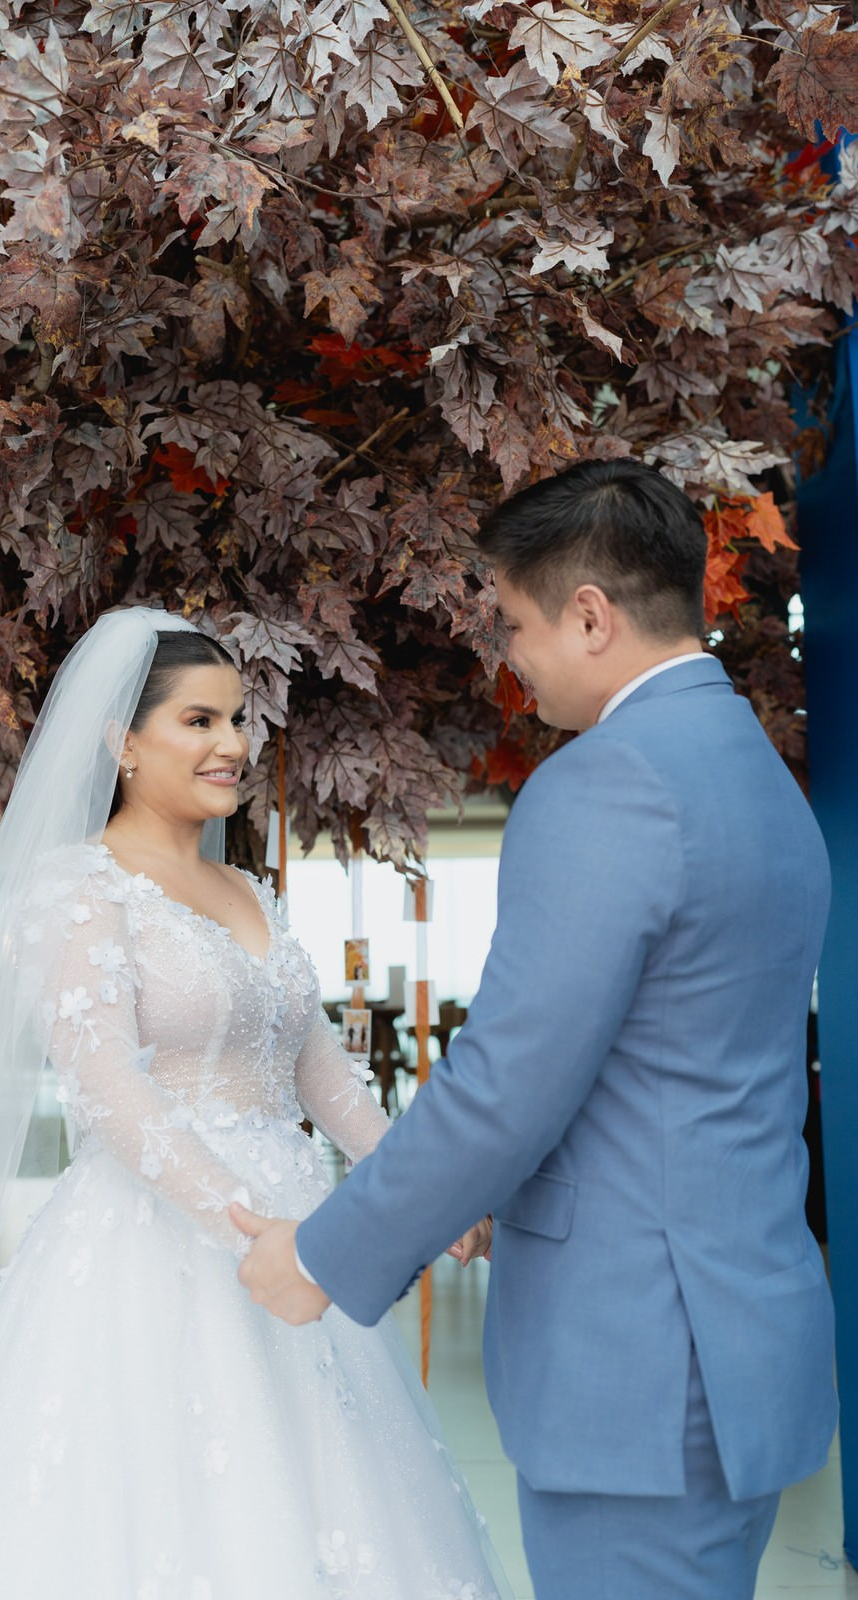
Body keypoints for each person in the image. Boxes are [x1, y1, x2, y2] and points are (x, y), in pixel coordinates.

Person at [0, 608, 511, 1600]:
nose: (232, 744)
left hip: (298, 1230)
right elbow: (110, 1091)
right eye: (199, 721)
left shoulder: (252, 892)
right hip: (155, 1234)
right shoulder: (76, 888)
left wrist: (422, 1200)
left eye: (238, 721)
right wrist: (245, 1225)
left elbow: (327, 1082)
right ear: (121, 744)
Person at [235, 460, 838, 1600]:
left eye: (514, 623)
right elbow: (657, 1065)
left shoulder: (607, 782)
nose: (509, 659)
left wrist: (325, 1253)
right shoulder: (758, 777)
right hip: (735, 1339)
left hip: (636, 1364)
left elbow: (510, 1080)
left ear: (591, 615)